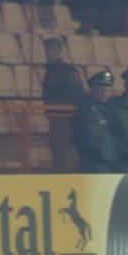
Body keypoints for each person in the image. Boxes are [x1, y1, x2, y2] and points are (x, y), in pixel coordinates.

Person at [42, 37, 86, 172]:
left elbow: (77, 94)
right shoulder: (50, 71)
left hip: (66, 117)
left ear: (60, 51)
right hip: (55, 117)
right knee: (58, 151)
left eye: (53, 49)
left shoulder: (68, 71)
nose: (50, 52)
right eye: (48, 49)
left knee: (64, 153)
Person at [72, 71, 119, 173]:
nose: (104, 93)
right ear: (92, 89)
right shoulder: (86, 110)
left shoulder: (112, 108)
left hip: (112, 166)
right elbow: (93, 142)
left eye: (108, 90)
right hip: (95, 166)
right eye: (101, 89)